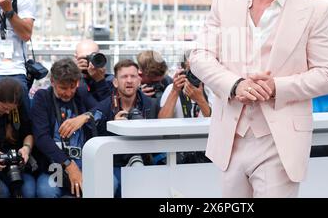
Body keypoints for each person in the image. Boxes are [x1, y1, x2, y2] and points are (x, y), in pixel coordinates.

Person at [190, 0, 328, 198]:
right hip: (229, 138)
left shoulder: (314, 10)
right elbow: (199, 56)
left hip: (279, 142)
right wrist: (235, 85)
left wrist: (275, 88)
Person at [30, 58, 103, 198]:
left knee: (111, 183)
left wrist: (85, 116)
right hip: (53, 168)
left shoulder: (80, 92)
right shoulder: (42, 97)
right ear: (52, 82)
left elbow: (102, 108)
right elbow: (41, 138)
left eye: (72, 87)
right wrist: (69, 165)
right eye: (63, 88)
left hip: (84, 165)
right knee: (46, 192)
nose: (69, 93)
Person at [95, 59, 159, 197]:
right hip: (113, 165)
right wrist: (113, 127)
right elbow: (95, 143)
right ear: (115, 82)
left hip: (144, 163)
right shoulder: (103, 107)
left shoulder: (151, 105)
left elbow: (157, 142)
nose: (129, 81)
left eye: (133, 76)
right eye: (124, 77)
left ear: (139, 80)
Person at [0, 77, 36, 198]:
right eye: (4, 108)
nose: (7, 112)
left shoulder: (15, 107)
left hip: (13, 168)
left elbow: (29, 133)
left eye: (10, 109)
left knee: (28, 191)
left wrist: (26, 148)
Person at [159, 50, 212, 164]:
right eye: (190, 70)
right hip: (178, 151)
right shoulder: (172, 89)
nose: (194, 75)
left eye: (198, 70)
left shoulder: (211, 90)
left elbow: (215, 125)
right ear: (183, 70)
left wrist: (201, 100)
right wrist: (174, 91)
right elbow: (162, 122)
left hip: (205, 151)